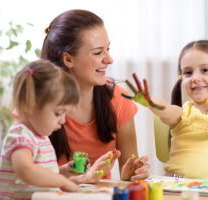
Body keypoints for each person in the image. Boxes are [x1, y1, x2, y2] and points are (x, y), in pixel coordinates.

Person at [41, 9, 150, 181]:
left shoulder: (119, 99)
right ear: (68, 59)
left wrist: (132, 173)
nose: (109, 59)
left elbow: (128, 173)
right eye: (98, 53)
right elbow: (28, 181)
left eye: (108, 49)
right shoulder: (38, 103)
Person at [123, 40, 208, 180]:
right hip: (173, 187)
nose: (195, 78)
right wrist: (150, 101)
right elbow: (165, 110)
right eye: (188, 72)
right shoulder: (182, 113)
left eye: (205, 70)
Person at [0, 60, 119, 199]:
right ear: (30, 106)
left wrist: (62, 172)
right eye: (58, 113)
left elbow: (41, 177)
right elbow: (25, 170)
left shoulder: (40, 137)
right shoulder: (20, 136)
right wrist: (61, 181)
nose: (63, 120)